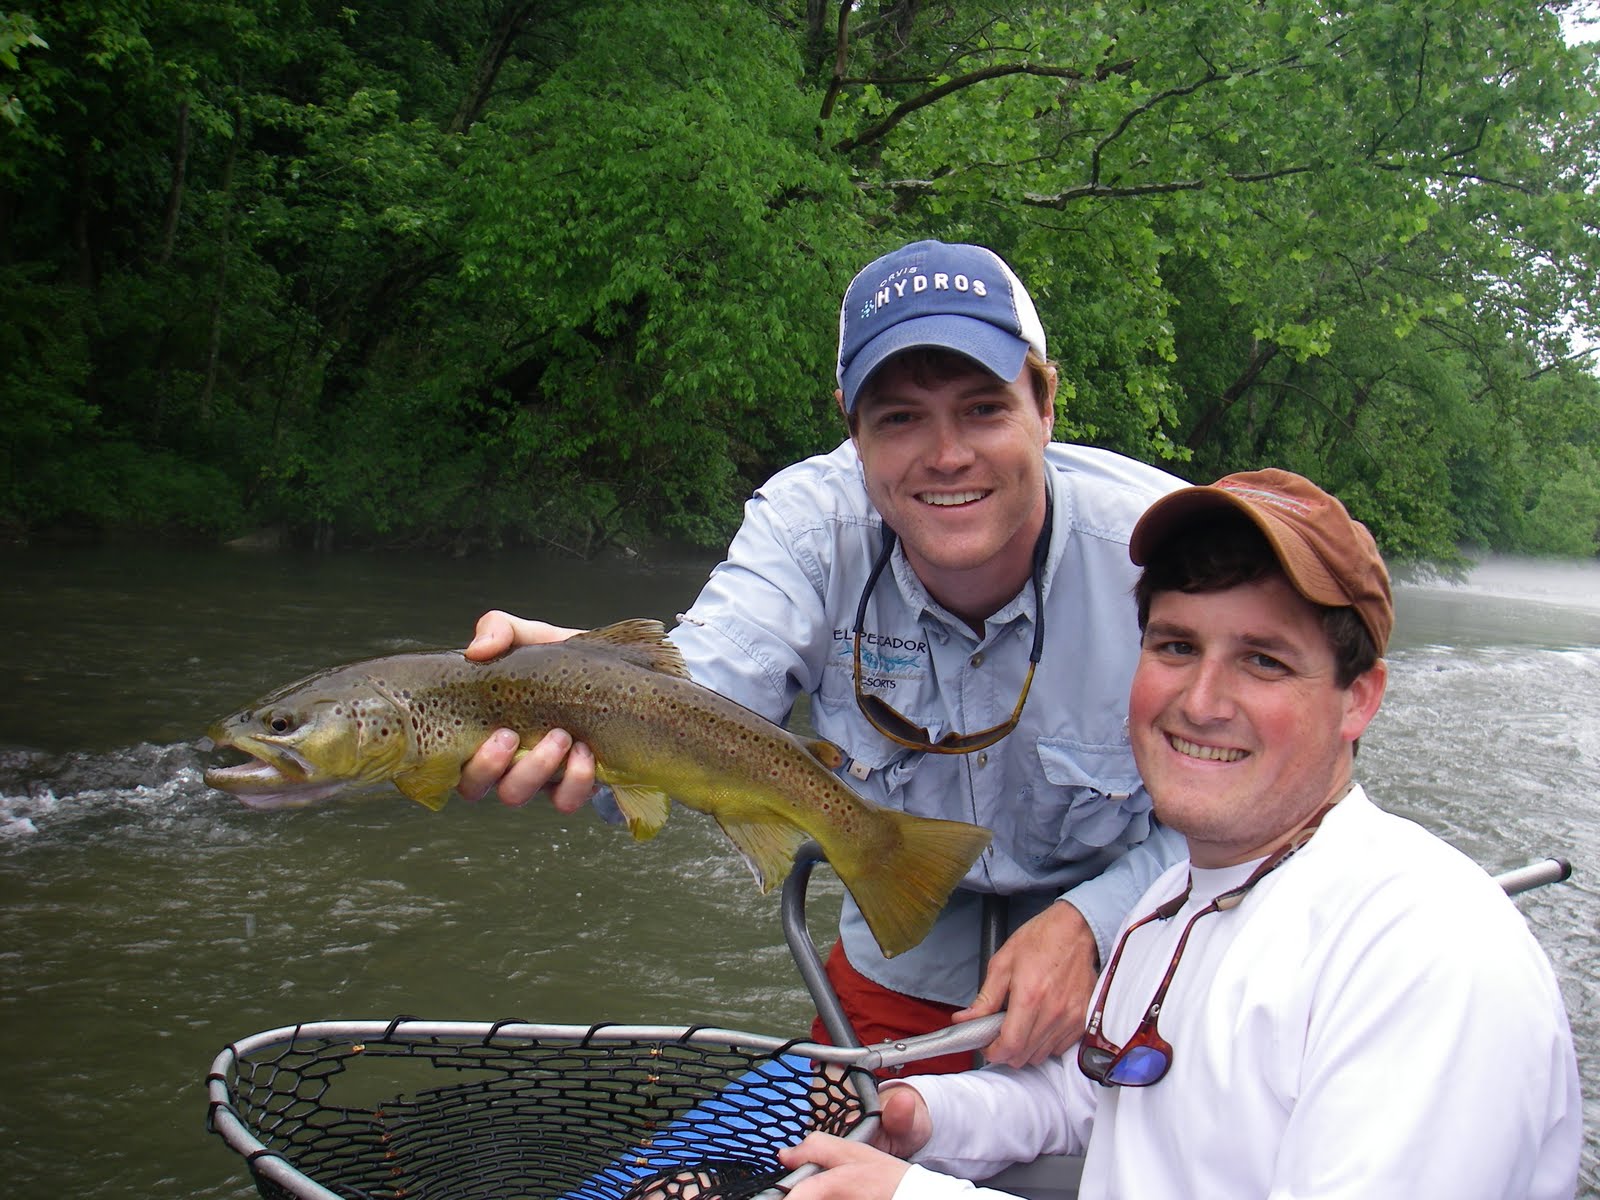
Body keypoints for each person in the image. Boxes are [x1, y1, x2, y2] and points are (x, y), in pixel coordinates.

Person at [458, 239, 1187, 1071]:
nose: (947, 455)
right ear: (850, 424)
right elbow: (699, 700)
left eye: (984, 408)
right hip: (902, 952)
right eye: (900, 417)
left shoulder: (1166, 550)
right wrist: (579, 695)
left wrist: (1091, 924)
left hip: (1146, 945)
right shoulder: (805, 530)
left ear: (1046, 403)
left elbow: (1289, 813)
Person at [776, 468, 1583, 1199]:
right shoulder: (1171, 902)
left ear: (1357, 699)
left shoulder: (1428, 953)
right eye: (1176, 646)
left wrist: (913, 1197)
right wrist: (932, 1113)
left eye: (1263, 661)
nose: (1200, 700)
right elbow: (1102, 1098)